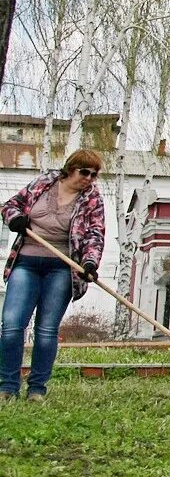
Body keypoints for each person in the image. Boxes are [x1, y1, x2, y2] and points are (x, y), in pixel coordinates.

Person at [1, 149, 106, 402]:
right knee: (12, 326)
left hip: (62, 268)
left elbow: (95, 233)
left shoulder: (92, 199)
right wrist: (15, 219)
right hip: (25, 263)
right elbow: (10, 206)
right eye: (85, 172)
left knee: (46, 330)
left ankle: (37, 389)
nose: (89, 178)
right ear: (71, 169)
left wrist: (90, 262)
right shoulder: (43, 184)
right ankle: (7, 388)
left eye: (94, 174)